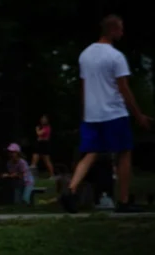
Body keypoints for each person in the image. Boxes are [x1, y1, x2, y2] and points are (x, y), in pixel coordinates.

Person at [61, 15, 151, 213]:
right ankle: (124, 200)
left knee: (91, 153)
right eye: (120, 29)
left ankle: (71, 189)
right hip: (114, 112)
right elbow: (124, 89)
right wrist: (138, 115)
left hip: (92, 113)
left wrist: (85, 113)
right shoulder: (116, 57)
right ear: (112, 31)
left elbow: (83, 87)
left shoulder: (85, 55)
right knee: (124, 153)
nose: (122, 33)